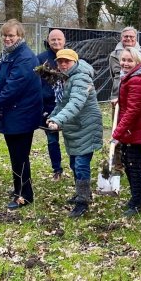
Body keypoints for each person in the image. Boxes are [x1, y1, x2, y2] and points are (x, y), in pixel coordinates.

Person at [0, 19, 43, 210]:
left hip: (22, 114)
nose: (7, 38)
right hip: (13, 113)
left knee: (20, 156)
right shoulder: (9, 54)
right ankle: (19, 189)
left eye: (11, 35)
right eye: (5, 35)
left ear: (20, 36)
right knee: (16, 155)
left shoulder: (24, 57)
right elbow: (6, 80)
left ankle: (25, 195)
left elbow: (15, 87)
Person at [46, 49, 103, 218]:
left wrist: (58, 120)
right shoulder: (66, 78)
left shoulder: (81, 78)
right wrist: (52, 117)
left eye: (67, 61)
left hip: (87, 127)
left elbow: (75, 104)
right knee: (74, 163)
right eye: (60, 61)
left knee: (81, 165)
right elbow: (63, 102)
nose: (63, 64)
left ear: (75, 62)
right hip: (75, 128)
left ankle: (83, 202)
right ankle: (82, 192)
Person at [112, 47, 141, 217]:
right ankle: (138, 196)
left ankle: (137, 201)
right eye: (123, 60)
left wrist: (117, 134)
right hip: (132, 129)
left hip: (138, 129)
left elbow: (133, 110)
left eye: (129, 60)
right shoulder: (130, 77)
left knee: (134, 165)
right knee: (128, 162)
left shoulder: (138, 80)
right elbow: (130, 103)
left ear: (138, 62)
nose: (125, 63)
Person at [37, 28, 66, 180]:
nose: (56, 42)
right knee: (52, 138)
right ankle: (57, 169)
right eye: (53, 39)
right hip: (48, 105)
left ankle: (77, 168)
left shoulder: (70, 57)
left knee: (71, 138)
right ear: (48, 41)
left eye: (59, 39)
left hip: (68, 105)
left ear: (64, 41)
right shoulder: (41, 59)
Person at [108, 26, 141, 102]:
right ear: (121, 38)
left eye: (131, 36)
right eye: (126, 36)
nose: (128, 38)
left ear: (136, 38)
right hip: (118, 96)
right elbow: (114, 76)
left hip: (139, 95)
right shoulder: (113, 55)